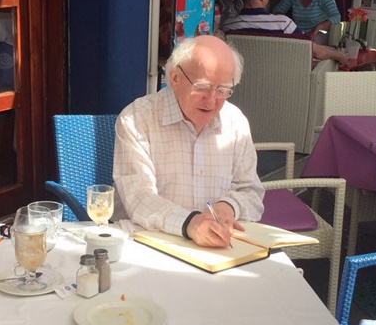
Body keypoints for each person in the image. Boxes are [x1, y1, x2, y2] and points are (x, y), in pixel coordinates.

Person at [113, 36, 265, 248]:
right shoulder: (137, 119)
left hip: (217, 247)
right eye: (202, 87)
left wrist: (229, 206)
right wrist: (190, 224)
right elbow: (139, 198)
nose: (211, 101)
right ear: (175, 78)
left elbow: (251, 191)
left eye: (222, 90)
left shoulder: (235, 121)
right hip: (148, 244)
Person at [223, 0, 349, 65]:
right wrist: (340, 55)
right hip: (281, 82)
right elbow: (314, 51)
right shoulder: (283, 24)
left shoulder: (228, 26)